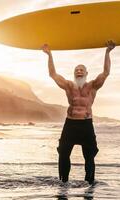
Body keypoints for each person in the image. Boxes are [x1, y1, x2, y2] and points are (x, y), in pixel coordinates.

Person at [41, 41, 115, 184]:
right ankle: (63, 183)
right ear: (74, 73)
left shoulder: (93, 86)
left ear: (86, 73)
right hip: (70, 124)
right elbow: (53, 74)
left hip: (86, 125)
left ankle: (89, 185)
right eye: (77, 70)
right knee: (63, 154)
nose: (79, 71)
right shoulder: (69, 86)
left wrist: (107, 52)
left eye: (82, 69)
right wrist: (49, 54)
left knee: (89, 156)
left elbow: (106, 72)